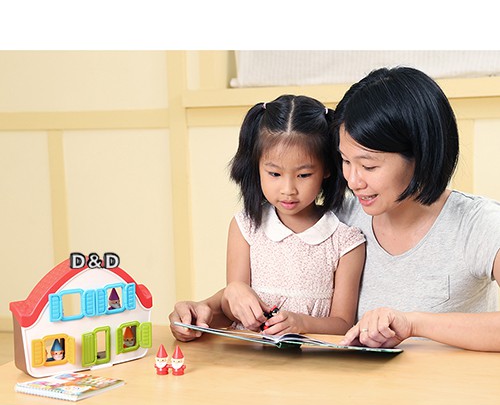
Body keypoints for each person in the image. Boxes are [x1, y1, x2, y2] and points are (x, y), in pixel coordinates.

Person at [170, 67, 500, 352]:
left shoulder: (478, 224)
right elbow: (261, 297)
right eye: (344, 161)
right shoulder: (340, 217)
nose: (353, 181)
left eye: (369, 166)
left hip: (445, 396)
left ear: (422, 153)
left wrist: (414, 324)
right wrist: (203, 310)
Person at [172, 94, 365, 340]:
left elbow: (343, 324)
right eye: (274, 174)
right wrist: (233, 292)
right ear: (257, 166)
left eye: (303, 175)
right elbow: (233, 310)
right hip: (250, 354)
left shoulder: (345, 241)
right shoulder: (246, 227)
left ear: (327, 168)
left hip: (312, 358)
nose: (288, 189)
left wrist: (301, 323)